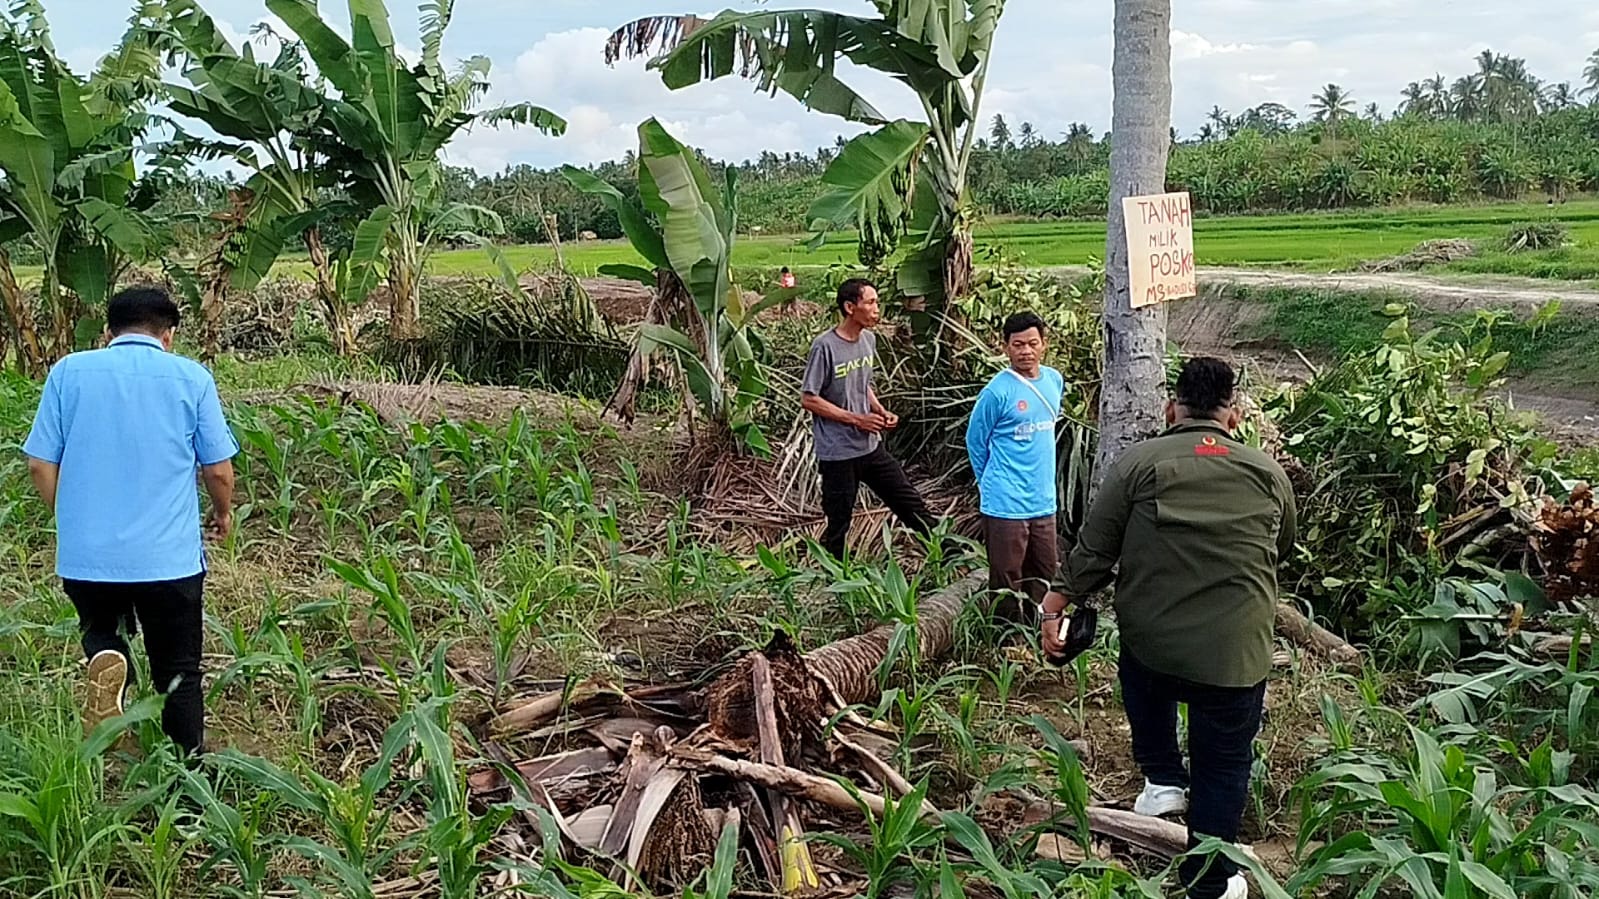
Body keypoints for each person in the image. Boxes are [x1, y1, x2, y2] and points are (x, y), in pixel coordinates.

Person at [1041, 357, 1296, 899]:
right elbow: (1282, 550)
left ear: (1170, 408)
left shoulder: (1141, 463)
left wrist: (1054, 607)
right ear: (1236, 415)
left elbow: (1094, 549)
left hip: (1154, 647)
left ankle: (1161, 781)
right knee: (1224, 764)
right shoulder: (1267, 473)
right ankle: (1211, 879)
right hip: (1236, 654)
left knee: (1140, 666)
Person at [23, 287, 239, 756]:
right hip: (169, 559)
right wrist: (223, 513)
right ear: (169, 335)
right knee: (179, 670)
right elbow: (218, 470)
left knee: (102, 629)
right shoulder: (190, 377)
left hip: (88, 557)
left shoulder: (69, 373)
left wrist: (70, 518)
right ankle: (189, 777)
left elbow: (40, 463)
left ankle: (110, 658)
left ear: (108, 332)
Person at [801, 278, 935, 560]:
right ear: (850, 307)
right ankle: (834, 579)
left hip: (870, 447)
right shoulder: (824, 347)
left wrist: (879, 410)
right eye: (871, 302)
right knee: (839, 522)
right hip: (838, 453)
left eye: (877, 302)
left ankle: (949, 554)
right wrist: (855, 419)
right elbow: (809, 398)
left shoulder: (868, 340)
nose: (877, 309)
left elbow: (861, 384)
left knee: (909, 503)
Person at [965, 311, 1065, 626]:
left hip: (1043, 500)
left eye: (1032, 343)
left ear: (1044, 345)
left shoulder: (1053, 380)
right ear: (1005, 347)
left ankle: (1040, 629)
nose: (1026, 351)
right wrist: (990, 483)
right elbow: (975, 440)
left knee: (1045, 569)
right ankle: (1006, 637)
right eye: (1018, 344)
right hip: (1006, 503)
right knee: (1007, 575)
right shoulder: (997, 392)